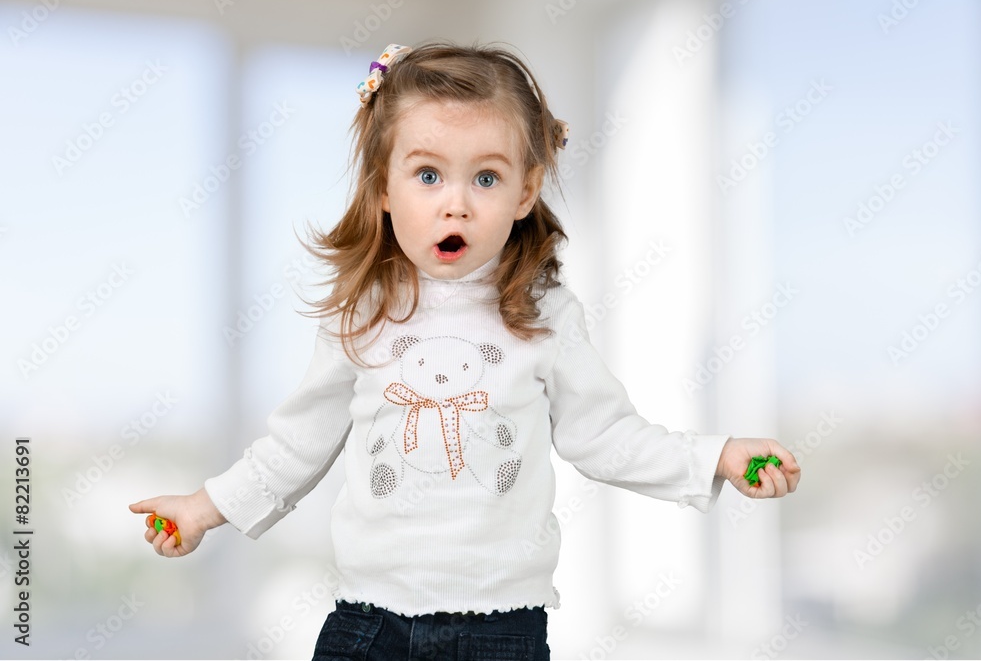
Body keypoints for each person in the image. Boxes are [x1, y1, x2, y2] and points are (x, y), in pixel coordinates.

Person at [129, 40, 801, 660]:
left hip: (501, 627)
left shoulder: (545, 317)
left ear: (525, 192)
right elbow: (295, 445)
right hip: (371, 622)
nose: (456, 204)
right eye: (428, 175)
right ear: (384, 188)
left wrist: (715, 456)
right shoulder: (362, 315)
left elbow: (606, 435)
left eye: (485, 178)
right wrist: (201, 506)